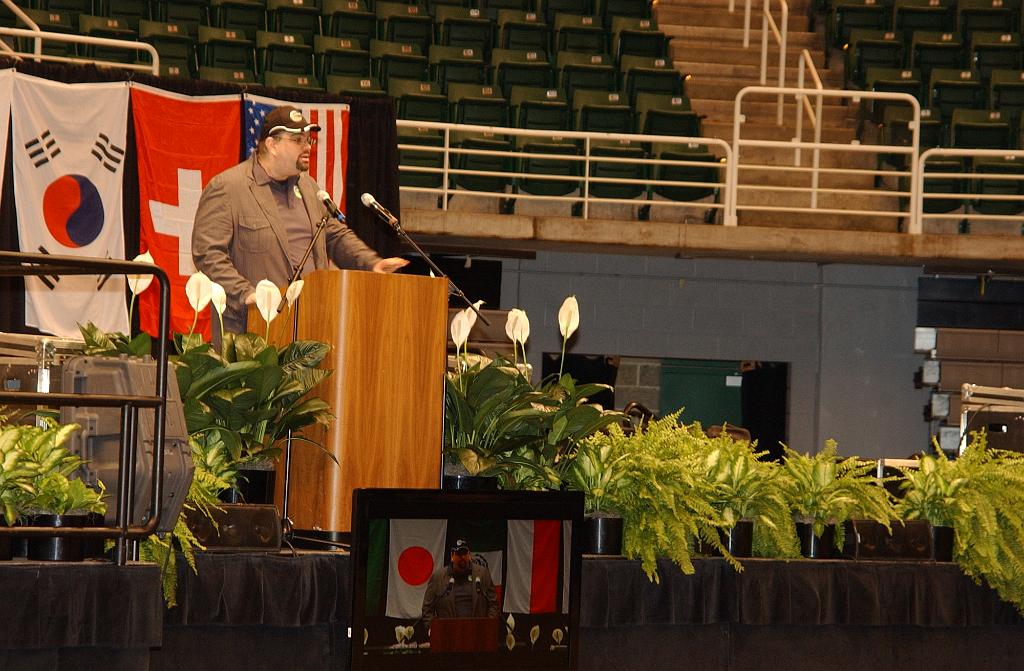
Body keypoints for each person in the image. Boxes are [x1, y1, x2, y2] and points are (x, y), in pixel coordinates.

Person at [192, 105, 408, 335]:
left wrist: (370, 263)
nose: (307, 147)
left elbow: (333, 234)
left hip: (309, 326)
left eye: (309, 140)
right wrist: (247, 294)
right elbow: (207, 253)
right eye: (298, 140)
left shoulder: (308, 186)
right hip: (251, 330)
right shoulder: (228, 188)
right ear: (272, 145)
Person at [421, 539, 499, 631]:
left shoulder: (482, 574)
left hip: (477, 633)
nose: (462, 557)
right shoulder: (438, 578)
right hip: (448, 634)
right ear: (452, 556)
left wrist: (488, 627)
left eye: (464, 553)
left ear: (469, 555)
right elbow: (427, 609)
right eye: (458, 554)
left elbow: (493, 604)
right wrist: (434, 629)